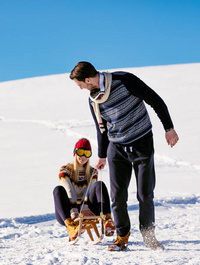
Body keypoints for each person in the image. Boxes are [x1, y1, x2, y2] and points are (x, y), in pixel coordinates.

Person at [70, 62, 179, 251]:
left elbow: (155, 100)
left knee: (145, 193)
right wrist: (102, 155)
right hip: (117, 147)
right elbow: (100, 128)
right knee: (117, 196)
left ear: (88, 79)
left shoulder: (124, 80)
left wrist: (169, 128)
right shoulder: (93, 99)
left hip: (142, 142)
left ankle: (149, 236)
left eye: (80, 84)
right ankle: (122, 237)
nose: (80, 88)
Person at [53, 138, 115, 242]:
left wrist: (85, 209)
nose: (83, 157)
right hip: (68, 213)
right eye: (80, 152)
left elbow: (90, 191)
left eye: (87, 153)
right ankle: (71, 227)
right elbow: (69, 191)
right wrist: (74, 212)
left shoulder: (92, 172)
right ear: (75, 153)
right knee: (58, 190)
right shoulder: (65, 170)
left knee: (99, 185)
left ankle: (108, 220)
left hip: (89, 210)